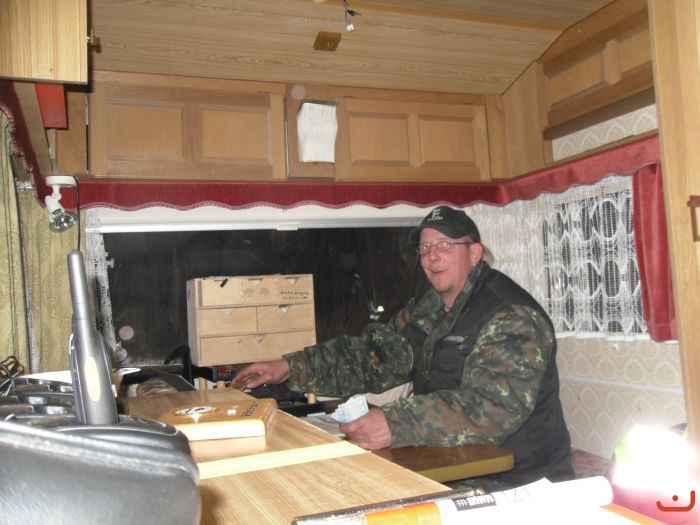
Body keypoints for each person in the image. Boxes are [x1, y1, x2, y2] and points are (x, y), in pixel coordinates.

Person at [232, 205, 573, 490]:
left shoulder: (511, 316)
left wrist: (393, 423)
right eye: (425, 248)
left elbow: (488, 407)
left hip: (518, 482)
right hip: (452, 465)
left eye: (445, 245)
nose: (432, 255)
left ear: (474, 253)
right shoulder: (430, 307)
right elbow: (375, 356)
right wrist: (289, 367)